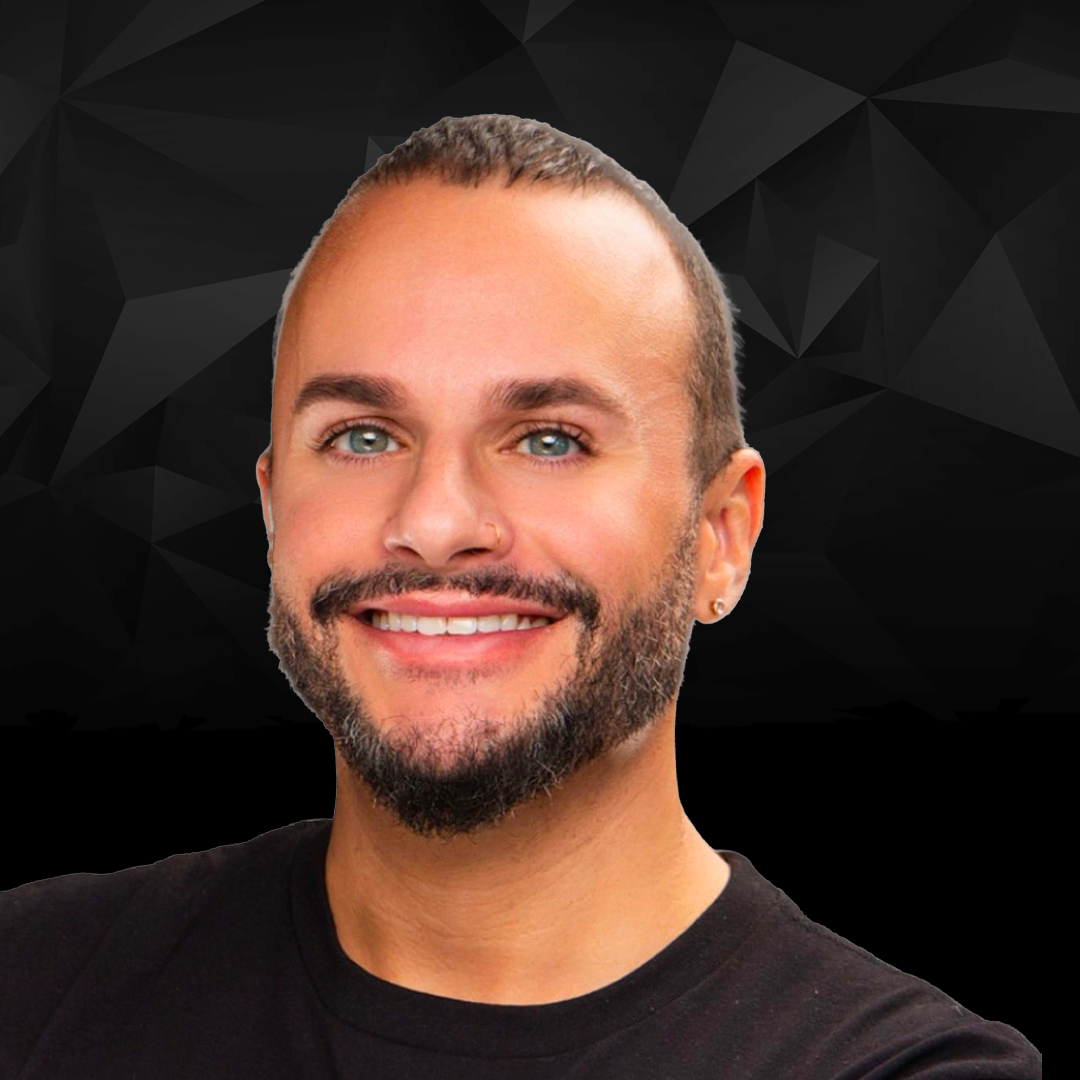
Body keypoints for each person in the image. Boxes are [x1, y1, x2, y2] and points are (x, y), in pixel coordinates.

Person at [0, 115, 1039, 1078]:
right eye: (362, 436)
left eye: (549, 440)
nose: (436, 520)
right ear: (273, 510)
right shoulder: (29, 984)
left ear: (721, 536)